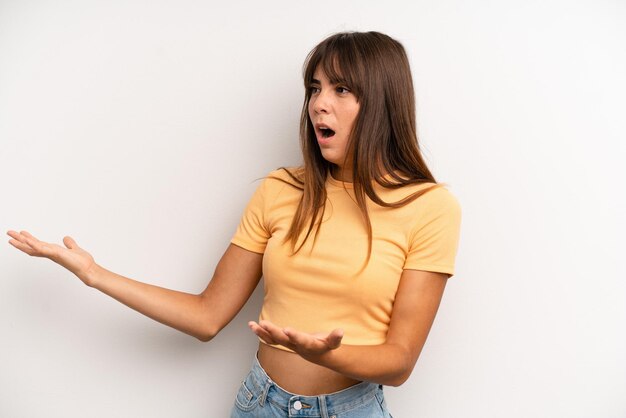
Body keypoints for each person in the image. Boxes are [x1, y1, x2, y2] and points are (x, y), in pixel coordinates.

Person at [7, 31, 462, 418]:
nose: (319, 104)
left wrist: (326, 353)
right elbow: (207, 316)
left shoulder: (428, 206)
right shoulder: (281, 190)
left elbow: (400, 362)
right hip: (259, 404)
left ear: (383, 102)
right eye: (314, 88)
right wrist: (94, 274)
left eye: (341, 90)